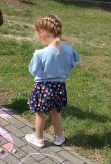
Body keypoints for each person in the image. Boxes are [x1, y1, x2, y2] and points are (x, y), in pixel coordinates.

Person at [25, 15, 80, 147]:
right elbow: (75, 60)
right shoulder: (68, 49)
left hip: (43, 88)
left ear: (42, 36)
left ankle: (38, 138)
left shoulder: (40, 53)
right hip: (60, 88)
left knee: (40, 113)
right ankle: (59, 137)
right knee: (56, 112)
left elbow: (33, 71)